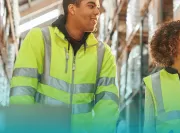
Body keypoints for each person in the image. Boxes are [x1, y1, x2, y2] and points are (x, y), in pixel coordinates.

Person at [9, 0, 119, 132]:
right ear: (72, 9)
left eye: (98, 7)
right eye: (91, 6)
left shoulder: (103, 53)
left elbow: (108, 104)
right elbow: (21, 93)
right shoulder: (39, 39)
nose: (97, 11)